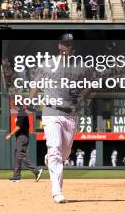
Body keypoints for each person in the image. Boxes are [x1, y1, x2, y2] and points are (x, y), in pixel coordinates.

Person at [30, 33, 91, 204]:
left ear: (73, 47)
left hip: (70, 115)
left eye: (70, 45)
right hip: (51, 111)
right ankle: (57, 191)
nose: (67, 47)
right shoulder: (46, 65)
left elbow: (88, 87)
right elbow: (35, 84)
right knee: (55, 148)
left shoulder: (82, 67)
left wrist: (80, 98)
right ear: (59, 46)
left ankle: (51, 158)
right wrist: (28, 102)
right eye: (65, 44)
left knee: (64, 153)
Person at [5, 105, 43, 182]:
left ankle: (36, 171)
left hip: (22, 137)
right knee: (17, 156)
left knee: (21, 155)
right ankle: (16, 176)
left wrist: (10, 134)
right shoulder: (21, 114)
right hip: (21, 137)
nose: (15, 108)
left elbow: (18, 127)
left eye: (16, 106)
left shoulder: (22, 114)